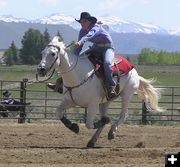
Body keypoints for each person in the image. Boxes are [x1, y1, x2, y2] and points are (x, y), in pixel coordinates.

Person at [74, 12, 116, 98]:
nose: (82, 23)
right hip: (95, 48)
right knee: (80, 58)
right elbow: (79, 47)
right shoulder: (82, 31)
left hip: (107, 48)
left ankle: (111, 85)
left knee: (107, 63)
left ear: (89, 21)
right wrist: (74, 58)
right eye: (81, 22)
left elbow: (89, 35)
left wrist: (80, 41)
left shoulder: (95, 28)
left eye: (84, 21)